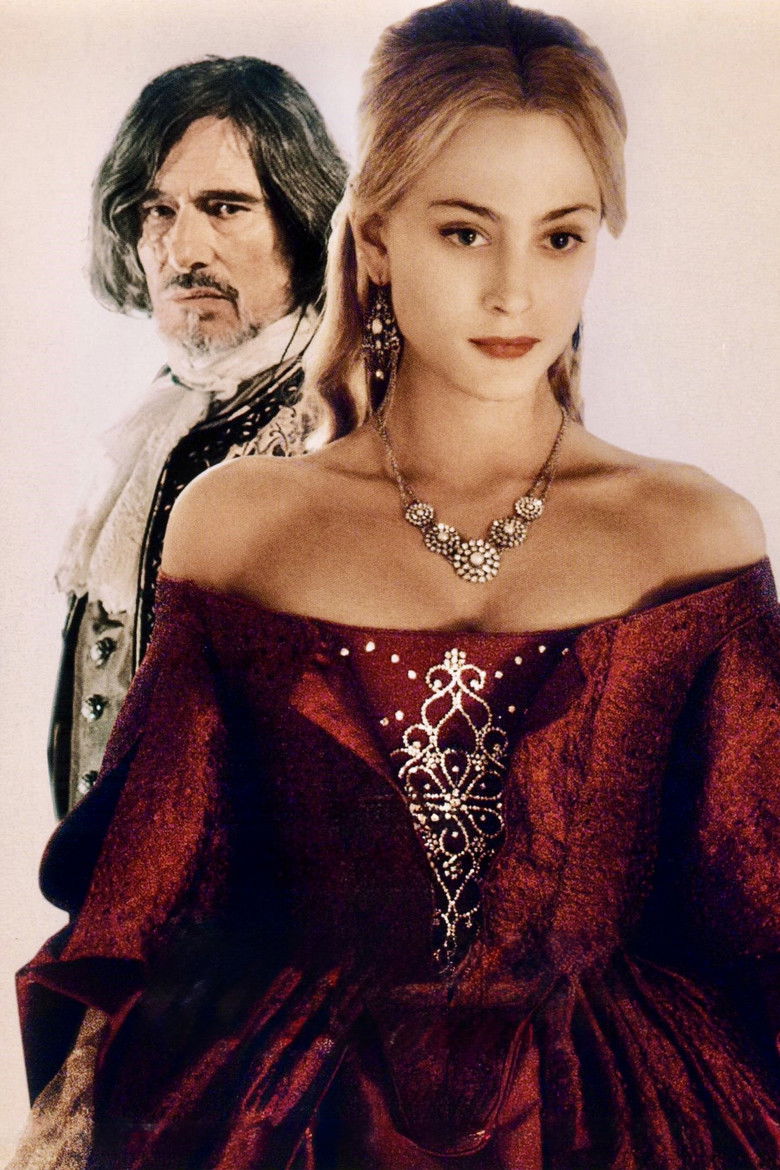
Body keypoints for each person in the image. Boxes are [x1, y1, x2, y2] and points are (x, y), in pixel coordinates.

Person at [13, 1, 779, 1167]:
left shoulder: (694, 537)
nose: (517, 292)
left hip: (621, 1119)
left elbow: (754, 902)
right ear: (375, 237)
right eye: (466, 231)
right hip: (294, 1120)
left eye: (561, 237)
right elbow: (151, 893)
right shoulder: (241, 526)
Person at [48, 56, 347, 817]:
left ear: (302, 218)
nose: (184, 252)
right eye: (158, 211)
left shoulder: (348, 426)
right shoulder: (162, 419)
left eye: (225, 207)